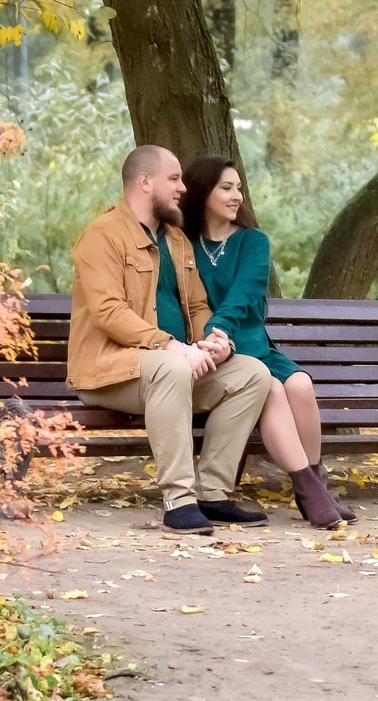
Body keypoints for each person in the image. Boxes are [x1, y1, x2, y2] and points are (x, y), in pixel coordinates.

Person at [68, 145, 278, 535]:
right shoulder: (102, 236)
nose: (183, 188)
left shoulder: (176, 240)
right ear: (145, 182)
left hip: (172, 368)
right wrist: (171, 346)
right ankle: (179, 500)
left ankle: (213, 494)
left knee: (251, 373)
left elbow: (197, 305)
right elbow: (108, 312)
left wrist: (217, 340)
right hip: (112, 370)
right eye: (174, 178)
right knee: (171, 368)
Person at [179, 157, 353, 530]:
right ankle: (310, 491)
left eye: (239, 188)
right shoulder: (182, 245)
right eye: (226, 187)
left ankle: (316, 485)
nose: (236, 196)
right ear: (202, 192)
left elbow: (246, 293)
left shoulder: (252, 241)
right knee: (272, 389)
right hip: (212, 351)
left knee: (301, 384)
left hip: (249, 342)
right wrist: (211, 340)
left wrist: (220, 329)